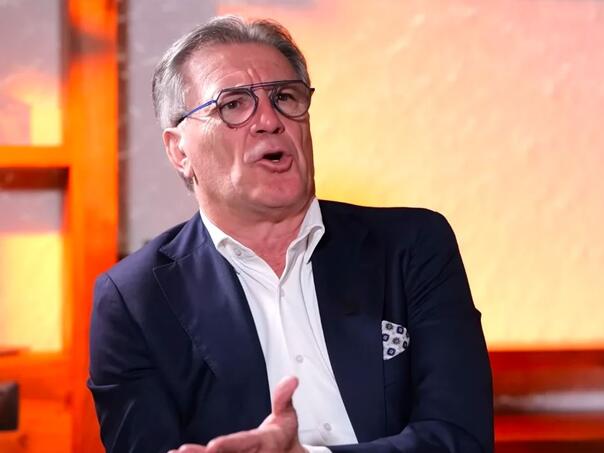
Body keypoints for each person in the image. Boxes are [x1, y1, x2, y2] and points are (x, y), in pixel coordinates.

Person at [88, 15, 493, 453]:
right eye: (233, 104)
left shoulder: (412, 246)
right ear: (179, 150)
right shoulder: (134, 300)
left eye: (284, 97)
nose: (269, 120)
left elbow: (460, 439)